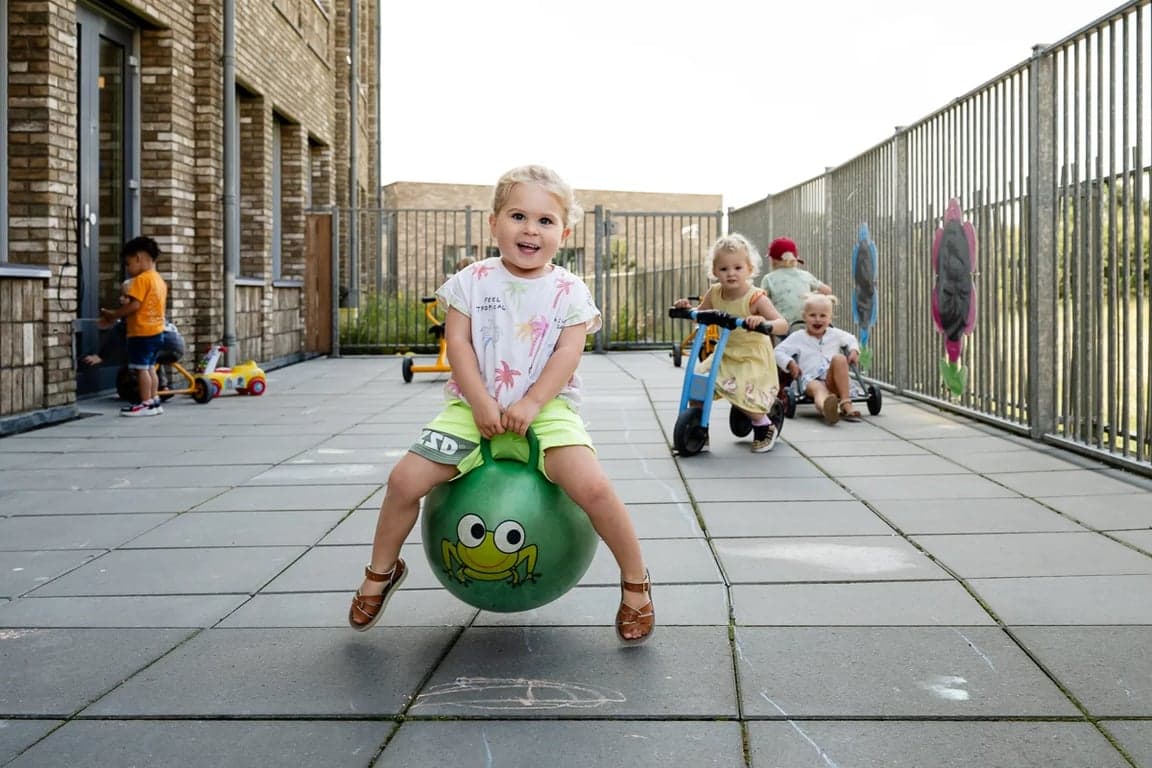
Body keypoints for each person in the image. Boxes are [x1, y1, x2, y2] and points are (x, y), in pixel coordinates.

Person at [347, 165, 654, 644]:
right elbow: (460, 345)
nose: (530, 229)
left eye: (545, 221)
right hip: (472, 407)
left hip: (548, 409)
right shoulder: (471, 281)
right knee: (403, 480)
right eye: (517, 216)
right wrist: (481, 402)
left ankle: (636, 582)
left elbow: (568, 352)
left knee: (593, 487)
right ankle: (381, 571)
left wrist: (532, 402)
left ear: (564, 233)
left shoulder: (570, 291)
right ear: (494, 223)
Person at [673, 233, 788, 453]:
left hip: (751, 356)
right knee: (698, 383)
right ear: (715, 271)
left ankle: (765, 425)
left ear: (749, 269)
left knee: (744, 390)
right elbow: (700, 313)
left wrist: (764, 322)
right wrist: (686, 308)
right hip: (724, 353)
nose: (731, 273)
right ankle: (699, 429)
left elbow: (782, 323)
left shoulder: (756, 298)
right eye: (724, 269)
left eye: (737, 268)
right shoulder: (715, 292)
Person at [98, 236, 169, 416]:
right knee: (151, 367)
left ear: (138, 258)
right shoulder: (159, 280)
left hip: (141, 333)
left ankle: (145, 403)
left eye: (128, 264)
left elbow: (134, 306)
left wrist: (114, 314)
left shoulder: (141, 280)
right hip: (157, 332)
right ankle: (154, 401)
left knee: (141, 368)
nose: (128, 269)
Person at [774, 293, 862, 425]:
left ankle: (845, 402)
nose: (818, 320)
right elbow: (777, 351)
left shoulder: (836, 334)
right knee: (818, 389)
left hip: (832, 379)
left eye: (823, 316)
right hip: (810, 379)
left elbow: (851, 339)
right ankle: (826, 408)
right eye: (812, 315)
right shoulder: (798, 337)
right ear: (804, 317)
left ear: (830, 318)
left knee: (839, 358)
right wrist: (790, 363)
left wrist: (854, 350)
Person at [759, 237, 832, 331]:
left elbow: (762, 302)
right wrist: (812, 297)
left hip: (783, 327)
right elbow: (827, 290)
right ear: (796, 259)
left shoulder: (768, 279)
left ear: (773, 260)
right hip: (807, 324)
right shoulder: (806, 275)